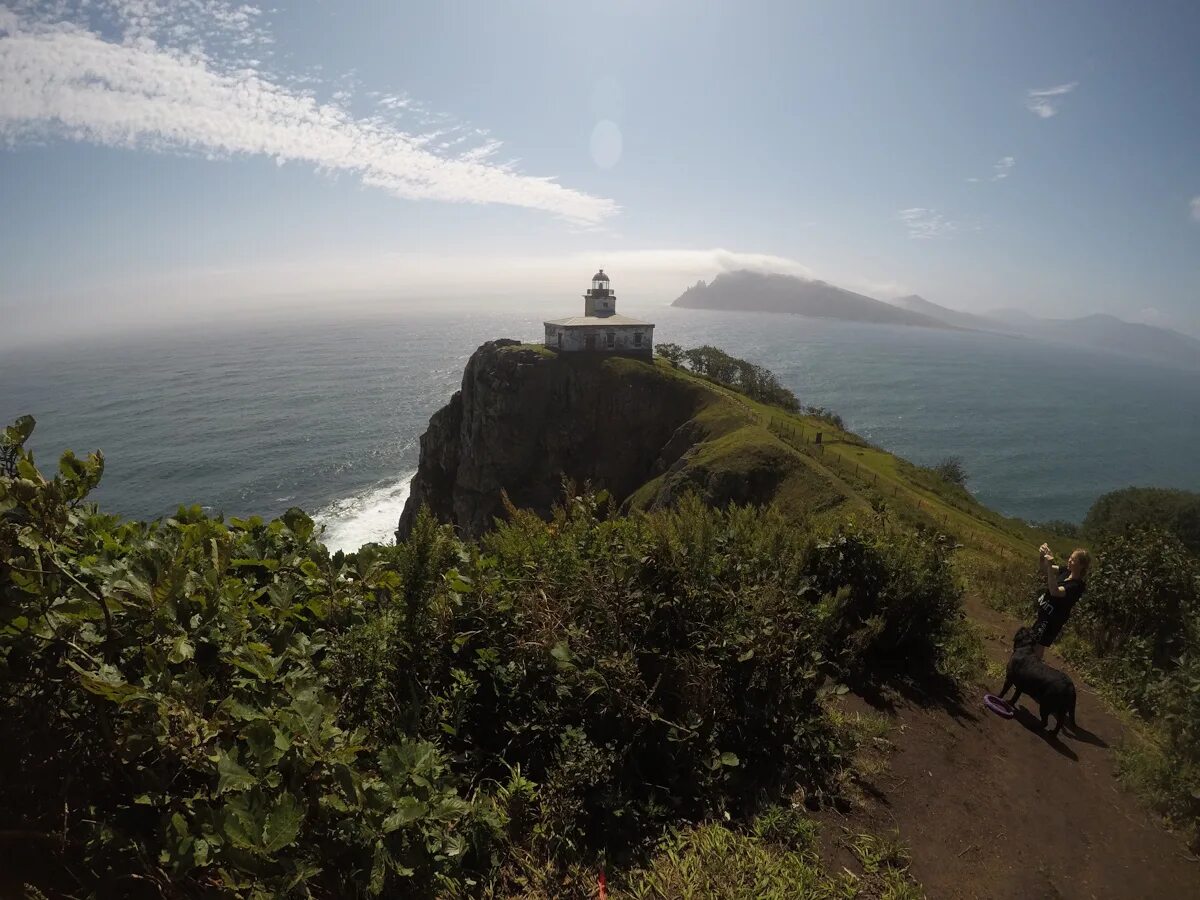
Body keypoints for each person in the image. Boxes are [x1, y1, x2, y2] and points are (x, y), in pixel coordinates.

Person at [1030, 543, 1089, 659]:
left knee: (1038, 645)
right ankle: (1030, 668)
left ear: (1081, 565)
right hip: (1044, 615)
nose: (1069, 561)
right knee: (1034, 642)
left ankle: (1032, 670)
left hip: (1052, 621)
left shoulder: (1076, 586)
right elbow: (1044, 568)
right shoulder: (1066, 571)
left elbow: (1055, 591)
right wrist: (1043, 556)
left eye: (1073, 560)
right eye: (1070, 558)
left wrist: (1050, 564)